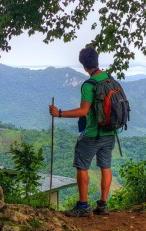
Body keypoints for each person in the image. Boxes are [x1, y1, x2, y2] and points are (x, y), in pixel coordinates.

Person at [49, 47, 115, 217]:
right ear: (97, 60)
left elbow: (83, 111)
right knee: (105, 167)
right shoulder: (109, 79)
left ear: (84, 65)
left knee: (82, 166)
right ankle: (103, 205)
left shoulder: (89, 85)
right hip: (110, 132)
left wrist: (60, 113)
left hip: (93, 133)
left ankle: (83, 206)